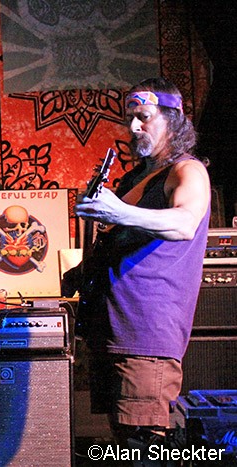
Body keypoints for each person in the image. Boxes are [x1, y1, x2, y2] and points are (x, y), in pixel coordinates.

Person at [66, 77, 211, 453]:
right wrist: (81, 275)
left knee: (144, 450)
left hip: (145, 336)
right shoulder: (138, 175)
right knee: (122, 446)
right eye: (130, 117)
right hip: (117, 334)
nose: (133, 127)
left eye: (144, 117)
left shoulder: (187, 170)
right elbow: (128, 243)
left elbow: (184, 223)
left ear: (173, 119)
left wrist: (119, 210)